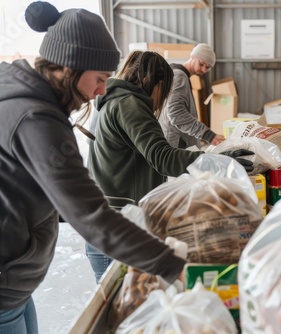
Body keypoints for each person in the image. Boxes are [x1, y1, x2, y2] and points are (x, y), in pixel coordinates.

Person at [0, 3, 187, 333]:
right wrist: (171, 264)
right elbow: (89, 215)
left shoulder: (38, 109)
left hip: (13, 283)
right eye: (100, 78)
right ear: (68, 67)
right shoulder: (34, 119)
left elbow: (47, 196)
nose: (102, 90)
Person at [86, 50, 253, 282]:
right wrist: (217, 162)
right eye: (163, 91)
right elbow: (162, 157)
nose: (161, 99)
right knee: (122, 305)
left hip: (106, 222)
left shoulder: (111, 101)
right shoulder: (129, 105)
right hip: (118, 226)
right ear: (153, 82)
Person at [159, 43, 225, 149]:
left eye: (208, 68)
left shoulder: (177, 74)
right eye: (201, 64)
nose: (204, 70)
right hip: (177, 144)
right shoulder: (179, 76)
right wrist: (208, 135)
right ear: (192, 56)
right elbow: (176, 113)